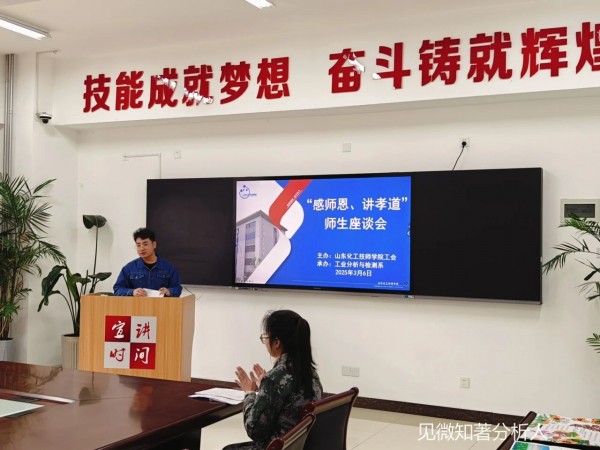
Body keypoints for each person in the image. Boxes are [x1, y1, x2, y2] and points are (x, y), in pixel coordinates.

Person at [223, 310, 323, 450]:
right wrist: (265, 388)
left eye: (265, 337)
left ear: (276, 343)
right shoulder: (311, 373)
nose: (264, 341)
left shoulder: (274, 379)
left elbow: (254, 430)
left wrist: (250, 393)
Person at [113, 227, 182, 297]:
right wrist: (132, 292)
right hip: (137, 304)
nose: (142, 248)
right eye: (138, 245)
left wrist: (169, 291)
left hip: (161, 304)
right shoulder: (129, 268)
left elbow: (177, 288)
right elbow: (117, 289)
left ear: (154, 244)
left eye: (145, 244)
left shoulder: (169, 267)